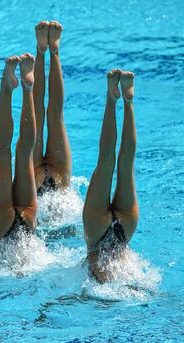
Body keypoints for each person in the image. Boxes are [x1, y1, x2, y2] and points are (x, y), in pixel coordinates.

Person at [83, 69, 138, 283]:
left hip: (124, 228)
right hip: (101, 231)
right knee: (107, 162)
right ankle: (115, 99)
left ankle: (126, 101)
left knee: (123, 164)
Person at [0, 54, 38, 246]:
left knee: (5, 151)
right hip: (26, 228)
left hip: (0, 231)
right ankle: (27, 88)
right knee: (23, 152)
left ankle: (10, 87)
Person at [32, 21, 72, 195]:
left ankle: (43, 51)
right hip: (58, 177)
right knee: (53, 116)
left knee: (38, 115)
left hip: (33, 179)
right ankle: (52, 51)